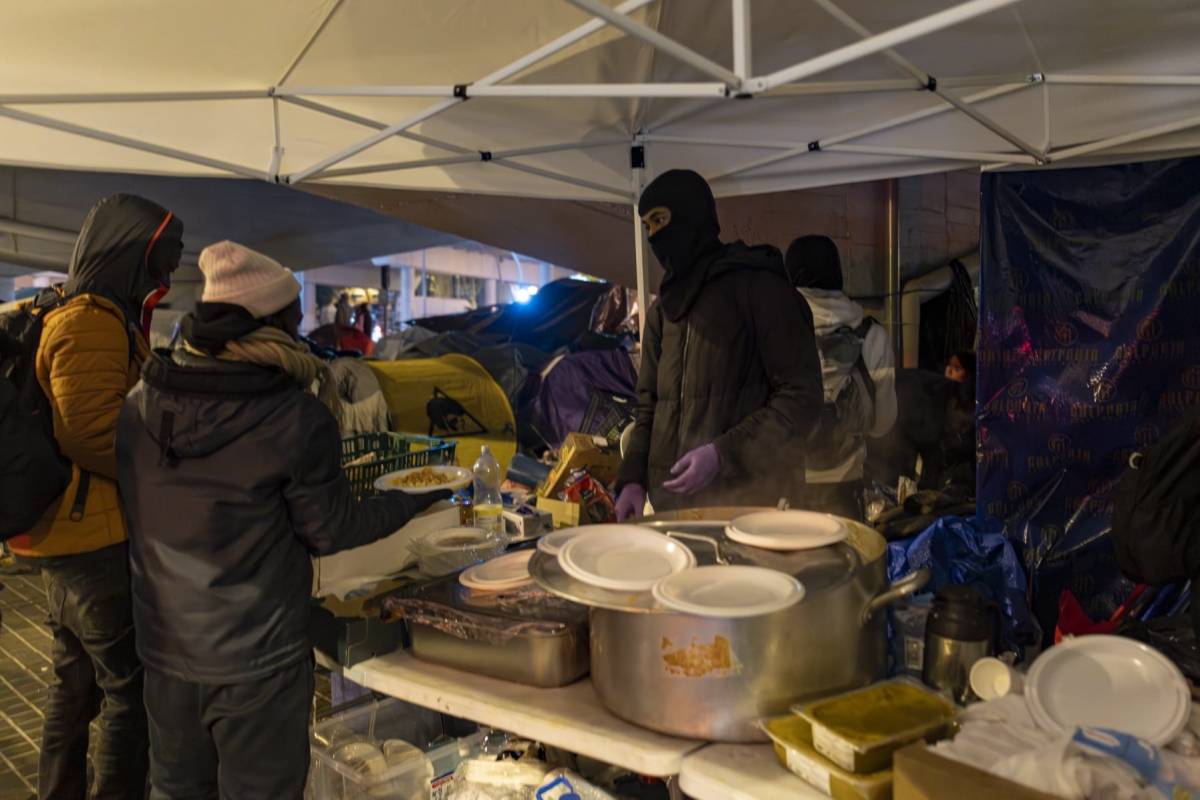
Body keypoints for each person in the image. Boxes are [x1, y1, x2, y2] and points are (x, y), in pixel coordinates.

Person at [116, 241, 447, 798]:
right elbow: (331, 530)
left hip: (165, 650)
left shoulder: (141, 404)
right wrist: (417, 495)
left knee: (175, 791)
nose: (302, 331)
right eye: (294, 318)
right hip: (257, 661)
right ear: (270, 324)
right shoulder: (294, 417)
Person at [8, 193, 183, 799]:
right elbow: (87, 432)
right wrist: (159, 471)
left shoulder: (83, 312)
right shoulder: (91, 320)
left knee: (75, 686)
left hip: (66, 533)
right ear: (129, 254)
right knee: (129, 694)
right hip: (93, 538)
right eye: (160, 260)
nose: (166, 276)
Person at [615, 170, 823, 518]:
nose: (654, 235)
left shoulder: (759, 289)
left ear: (692, 216)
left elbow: (801, 397)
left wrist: (722, 455)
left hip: (750, 508)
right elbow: (648, 406)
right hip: (673, 511)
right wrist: (633, 478)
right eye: (648, 226)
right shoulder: (663, 311)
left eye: (660, 220)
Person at [786, 234, 897, 520]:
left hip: (788, 484)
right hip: (846, 484)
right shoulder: (872, 335)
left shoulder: (776, 332)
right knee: (847, 560)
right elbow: (882, 423)